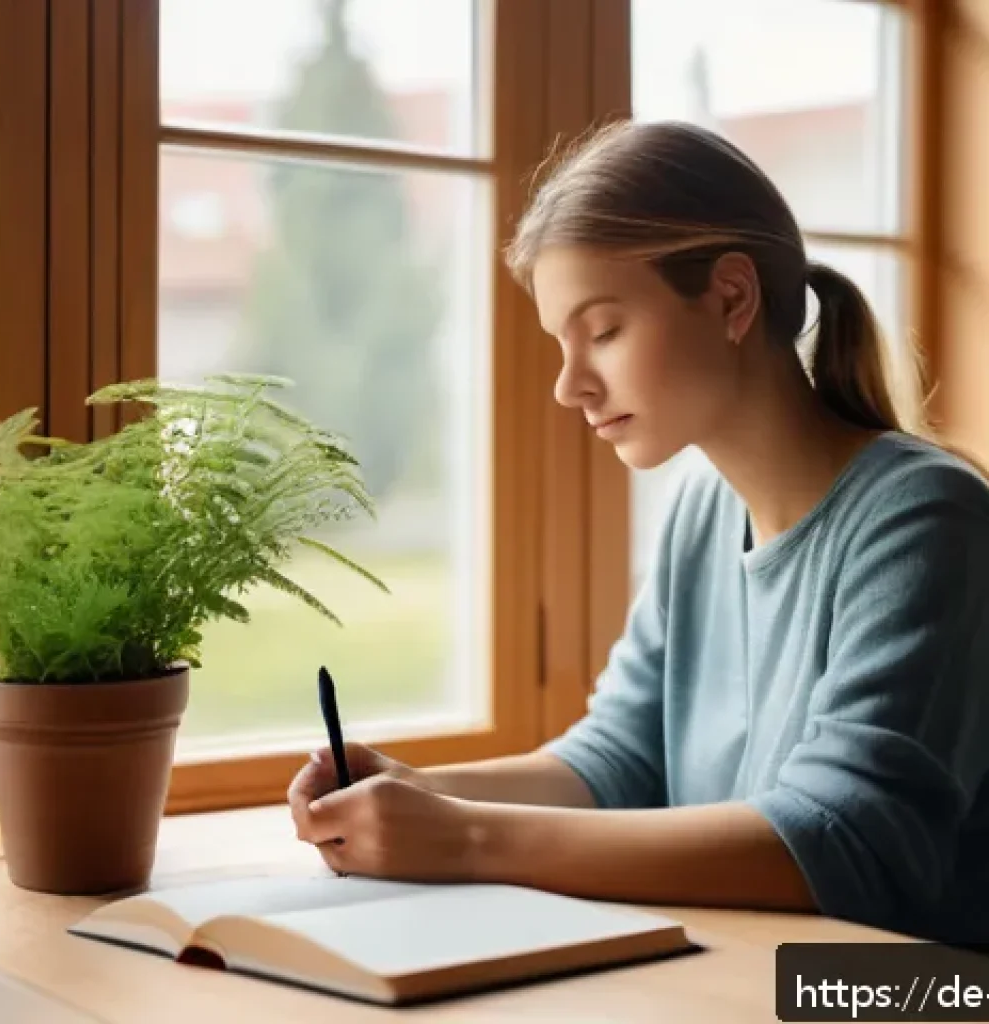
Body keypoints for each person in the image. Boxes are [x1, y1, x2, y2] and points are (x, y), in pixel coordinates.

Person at [287, 119, 989, 947]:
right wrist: (424, 792)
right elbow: (619, 763)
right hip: (747, 980)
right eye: (562, 343)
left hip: (917, 998)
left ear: (731, 297)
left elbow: (842, 844)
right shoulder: (703, 512)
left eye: (605, 331)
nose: (569, 385)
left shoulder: (924, 518)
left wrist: (465, 836)